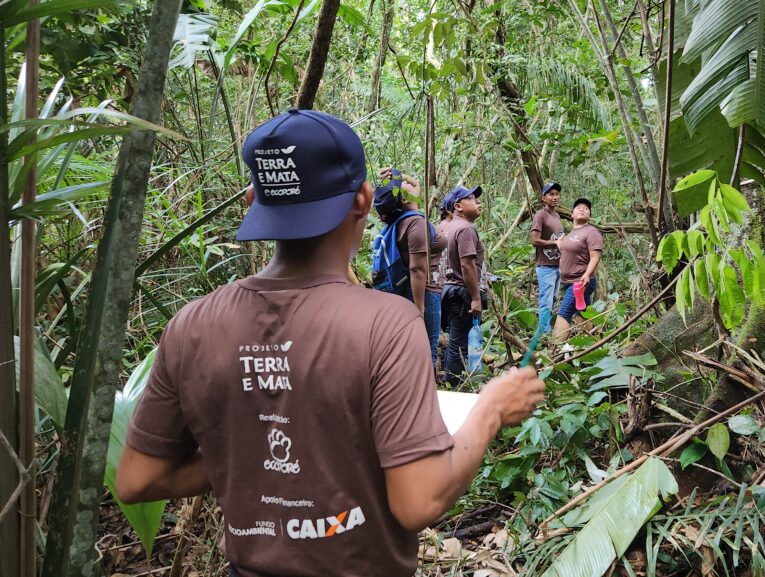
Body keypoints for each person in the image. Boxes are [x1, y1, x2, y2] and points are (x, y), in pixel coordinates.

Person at [115, 109, 545, 577]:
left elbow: (139, 478)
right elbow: (418, 499)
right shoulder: (387, 324)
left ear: (252, 200)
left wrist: (243, 449)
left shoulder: (191, 324)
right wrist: (490, 410)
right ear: (362, 199)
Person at [372, 168, 444, 363]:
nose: (410, 185)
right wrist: (419, 310)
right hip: (423, 294)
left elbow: (415, 184)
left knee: (410, 352)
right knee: (427, 352)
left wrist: (398, 176)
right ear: (403, 199)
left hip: (408, 293)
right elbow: (417, 268)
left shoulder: (402, 221)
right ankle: (426, 392)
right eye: (404, 186)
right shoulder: (416, 223)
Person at [441, 184, 486, 385]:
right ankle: (454, 386)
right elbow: (467, 266)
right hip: (461, 293)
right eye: (471, 198)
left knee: (454, 340)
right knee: (458, 343)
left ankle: (452, 381)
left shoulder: (445, 227)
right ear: (458, 206)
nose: (477, 201)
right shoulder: (465, 228)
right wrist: (476, 298)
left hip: (448, 291)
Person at [554, 197, 603, 342]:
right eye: (578, 208)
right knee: (583, 313)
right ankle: (590, 344)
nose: (582, 209)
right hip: (568, 281)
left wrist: (587, 274)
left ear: (589, 215)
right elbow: (567, 251)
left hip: (580, 281)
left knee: (564, 313)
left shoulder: (591, 232)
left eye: (586, 208)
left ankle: (554, 347)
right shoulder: (570, 234)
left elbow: (595, 256)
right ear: (571, 214)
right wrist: (559, 244)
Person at [531, 182, 564, 319]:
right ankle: (543, 331)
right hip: (545, 266)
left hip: (557, 265)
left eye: (557, 194)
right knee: (546, 301)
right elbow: (535, 241)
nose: (555, 197)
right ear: (543, 198)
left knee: (554, 299)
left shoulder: (556, 216)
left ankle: (547, 328)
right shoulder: (540, 215)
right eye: (551, 194)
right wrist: (555, 243)